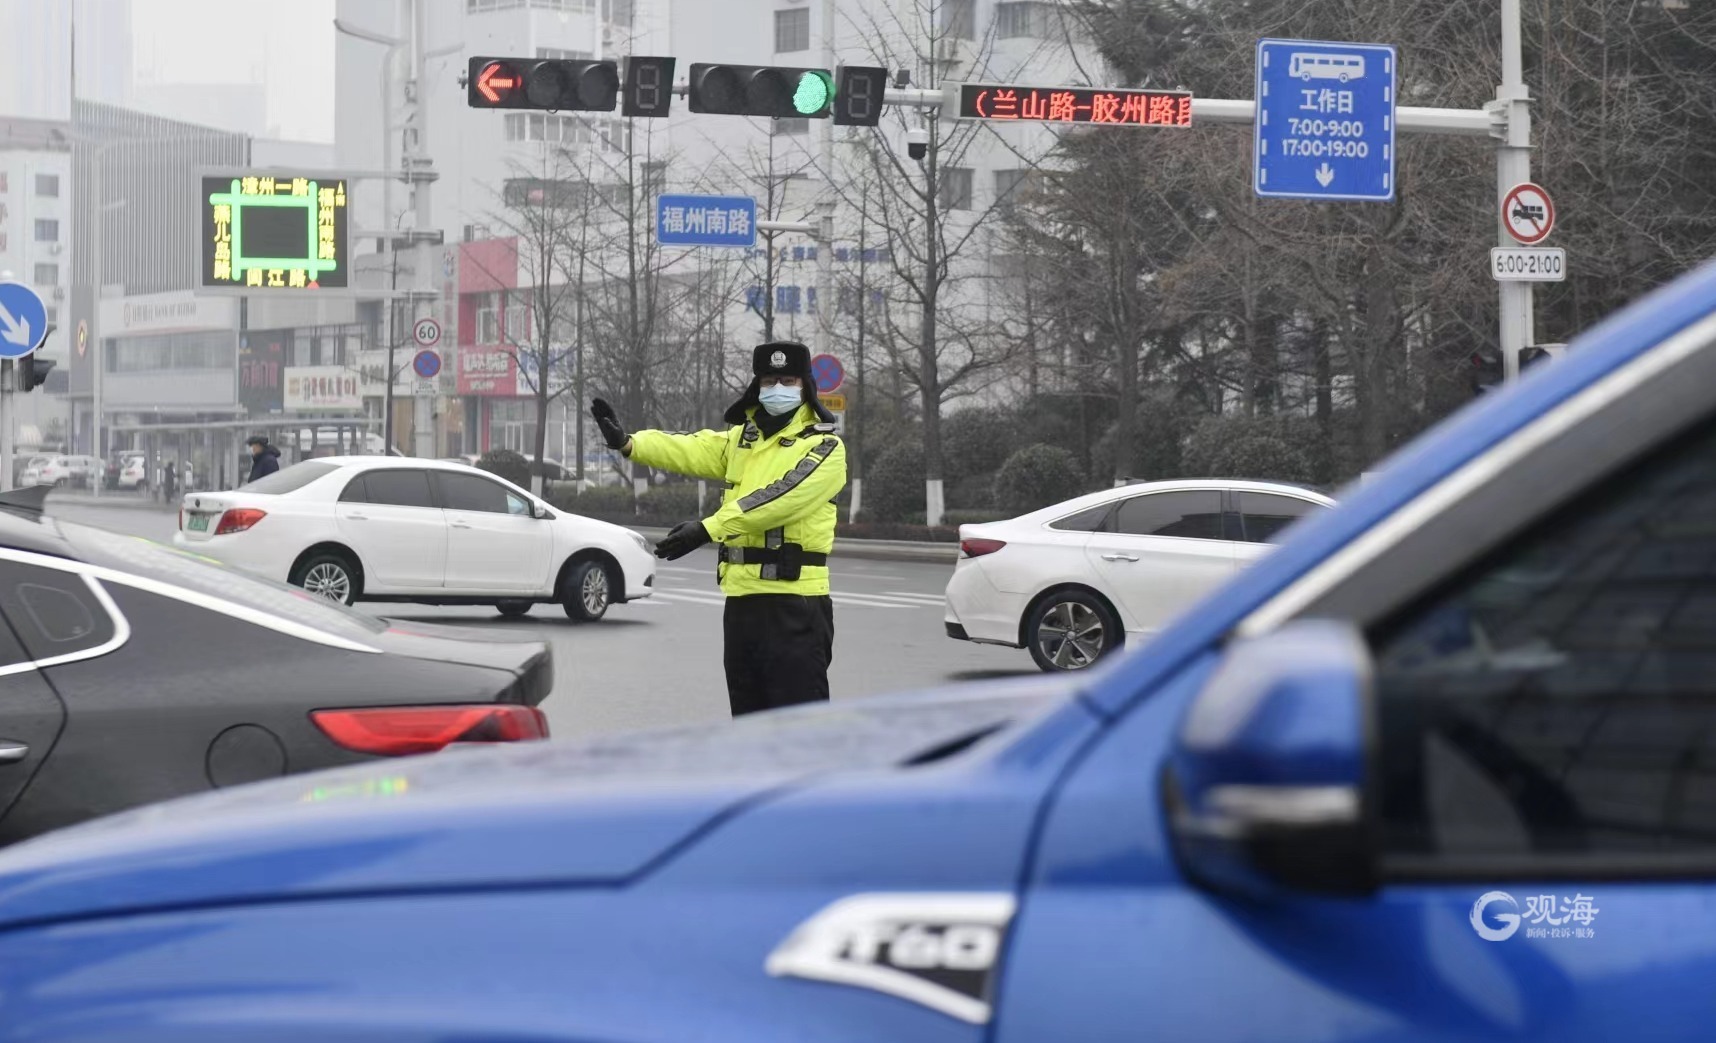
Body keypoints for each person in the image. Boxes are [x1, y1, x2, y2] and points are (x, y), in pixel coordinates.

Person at [591, 341, 847, 717]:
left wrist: (708, 529)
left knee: (798, 730)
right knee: (747, 726)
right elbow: (691, 448)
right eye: (769, 381)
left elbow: (778, 499)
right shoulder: (742, 441)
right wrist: (630, 444)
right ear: (757, 386)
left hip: (795, 604)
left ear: (806, 385)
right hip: (741, 604)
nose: (777, 388)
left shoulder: (825, 446)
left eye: (788, 381)